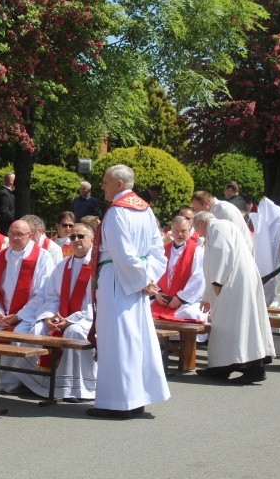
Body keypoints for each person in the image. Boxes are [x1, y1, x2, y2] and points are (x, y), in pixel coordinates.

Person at [86, 165, 169, 419]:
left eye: (105, 181)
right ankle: (136, 397)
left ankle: (117, 402)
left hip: (116, 281)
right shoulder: (145, 210)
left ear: (119, 184)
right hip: (135, 283)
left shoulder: (116, 212)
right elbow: (158, 250)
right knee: (135, 340)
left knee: (117, 341)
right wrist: (148, 277)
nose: (102, 186)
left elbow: (122, 254)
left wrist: (142, 278)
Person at [193, 212, 275, 383]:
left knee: (240, 324)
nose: (199, 235)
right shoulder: (222, 226)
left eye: (197, 230)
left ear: (200, 224)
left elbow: (221, 252)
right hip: (235, 279)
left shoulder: (216, 227)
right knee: (231, 324)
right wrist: (208, 295)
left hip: (233, 281)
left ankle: (252, 368)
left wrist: (217, 280)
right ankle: (221, 367)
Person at [19, 222, 97, 401]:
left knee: (73, 332)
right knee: (39, 329)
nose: (75, 240)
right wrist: (49, 316)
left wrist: (71, 320)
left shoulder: (97, 266)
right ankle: (40, 384)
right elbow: (51, 296)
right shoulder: (63, 265)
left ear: (92, 239)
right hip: (62, 317)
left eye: (80, 236)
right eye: (72, 237)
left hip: (89, 320)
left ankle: (80, 388)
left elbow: (97, 303)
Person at [0, 219, 54, 391]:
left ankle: (14, 382)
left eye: (20, 234)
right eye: (12, 233)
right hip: (2, 315)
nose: (15, 238)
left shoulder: (42, 257)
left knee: (19, 335)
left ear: (30, 236)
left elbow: (42, 293)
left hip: (27, 316)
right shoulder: (0, 256)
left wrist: (18, 316)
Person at [150, 216, 207, 324]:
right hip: (163, 300)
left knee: (192, 313)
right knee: (145, 309)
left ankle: (177, 341)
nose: (180, 234)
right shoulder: (163, 250)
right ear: (172, 230)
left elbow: (198, 278)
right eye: (176, 231)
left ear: (190, 230)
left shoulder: (197, 251)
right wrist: (157, 293)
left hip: (184, 302)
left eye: (183, 231)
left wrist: (180, 298)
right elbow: (154, 272)